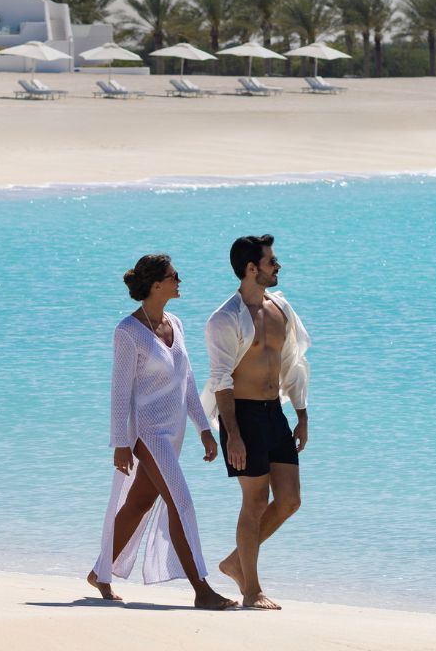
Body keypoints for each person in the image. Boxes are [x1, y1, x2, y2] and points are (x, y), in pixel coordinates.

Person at [87, 254, 236, 609]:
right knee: (180, 502)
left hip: (175, 433)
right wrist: (121, 443)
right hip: (148, 434)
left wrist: (204, 427)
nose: (179, 281)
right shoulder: (127, 332)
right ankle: (202, 590)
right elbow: (119, 393)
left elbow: (187, 381)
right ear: (156, 285)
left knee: (138, 503)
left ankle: (100, 572)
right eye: (174, 276)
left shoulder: (176, 323)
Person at [202, 235, 311, 610]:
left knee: (290, 501)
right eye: (271, 262)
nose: (277, 266)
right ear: (252, 269)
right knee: (254, 502)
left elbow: (293, 362)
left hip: (274, 414)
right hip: (243, 415)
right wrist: (232, 434)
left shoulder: (281, 308)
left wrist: (301, 413)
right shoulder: (225, 319)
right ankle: (251, 590)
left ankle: (235, 561)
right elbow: (221, 379)